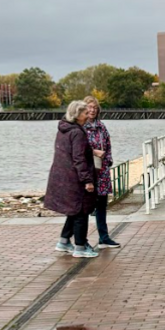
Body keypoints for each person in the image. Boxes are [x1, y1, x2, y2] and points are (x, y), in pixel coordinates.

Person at [45, 100, 98, 258]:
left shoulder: (63, 129)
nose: (88, 114)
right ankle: (80, 247)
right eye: (84, 112)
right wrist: (87, 180)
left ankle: (63, 241)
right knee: (81, 211)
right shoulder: (77, 133)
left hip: (62, 176)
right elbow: (79, 158)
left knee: (73, 210)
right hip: (74, 179)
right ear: (77, 115)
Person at [82, 96, 120, 249]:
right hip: (87, 172)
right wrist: (94, 152)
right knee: (85, 206)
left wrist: (108, 160)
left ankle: (104, 237)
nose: (92, 110)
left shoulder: (101, 127)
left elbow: (108, 145)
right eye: (89, 107)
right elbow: (79, 149)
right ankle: (81, 240)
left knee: (102, 205)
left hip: (102, 171)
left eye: (94, 108)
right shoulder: (81, 127)